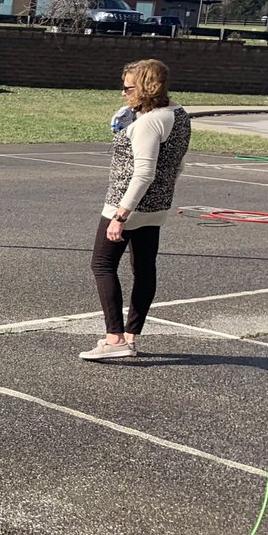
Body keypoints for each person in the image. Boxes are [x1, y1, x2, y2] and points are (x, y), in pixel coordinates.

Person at [80, 58, 191, 361]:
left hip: (127, 205)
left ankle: (114, 338)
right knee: (143, 268)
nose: (123, 93)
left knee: (102, 265)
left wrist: (120, 215)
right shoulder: (178, 115)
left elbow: (143, 173)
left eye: (128, 88)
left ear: (145, 88)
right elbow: (178, 163)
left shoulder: (147, 124)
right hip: (157, 206)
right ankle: (131, 336)